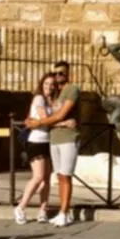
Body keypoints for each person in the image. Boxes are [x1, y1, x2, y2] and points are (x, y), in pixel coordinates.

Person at [26, 61, 80, 227]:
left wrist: (39, 122)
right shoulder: (55, 94)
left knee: (66, 175)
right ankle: (64, 212)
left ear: (68, 73)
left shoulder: (72, 90)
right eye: (55, 74)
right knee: (59, 176)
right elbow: (31, 118)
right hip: (54, 138)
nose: (57, 77)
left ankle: (64, 212)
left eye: (61, 74)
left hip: (68, 138)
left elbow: (61, 114)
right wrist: (35, 122)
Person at [14, 72, 73, 225]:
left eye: (52, 84)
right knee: (38, 176)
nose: (49, 87)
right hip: (36, 141)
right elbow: (44, 119)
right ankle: (21, 207)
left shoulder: (52, 100)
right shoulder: (39, 98)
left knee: (46, 177)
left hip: (48, 140)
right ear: (42, 85)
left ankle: (43, 209)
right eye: (46, 84)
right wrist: (63, 124)